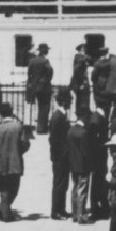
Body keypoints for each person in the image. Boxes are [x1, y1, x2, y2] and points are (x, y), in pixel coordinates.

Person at [0, 104, 31, 222]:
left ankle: (2, 210)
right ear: (12, 112)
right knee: (13, 188)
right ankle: (5, 213)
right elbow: (25, 144)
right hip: (15, 162)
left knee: (4, 188)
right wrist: (19, 152)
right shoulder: (18, 127)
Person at [48, 88, 72, 220]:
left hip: (63, 156)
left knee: (64, 183)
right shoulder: (57, 117)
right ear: (63, 101)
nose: (70, 103)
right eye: (68, 100)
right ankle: (56, 211)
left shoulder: (62, 115)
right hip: (59, 157)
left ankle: (61, 209)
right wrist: (60, 154)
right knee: (59, 183)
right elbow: (54, 139)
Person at [25, 43, 54, 134]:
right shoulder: (45, 61)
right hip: (44, 87)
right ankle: (42, 128)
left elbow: (29, 74)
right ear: (45, 51)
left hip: (34, 87)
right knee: (45, 107)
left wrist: (32, 84)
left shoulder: (32, 61)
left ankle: (38, 127)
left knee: (39, 106)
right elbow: (50, 73)